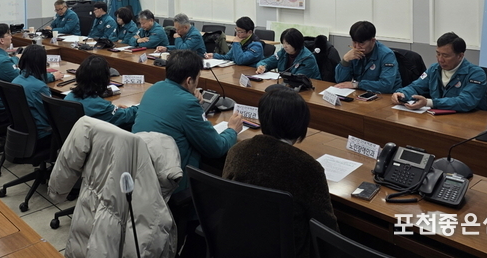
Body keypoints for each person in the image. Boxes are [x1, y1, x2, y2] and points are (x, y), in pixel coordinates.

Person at [223, 87, 338, 258]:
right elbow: (327, 229)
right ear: (301, 125)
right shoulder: (307, 167)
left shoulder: (236, 151)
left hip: (237, 244)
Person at [133, 49, 243, 192]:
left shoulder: (154, 88)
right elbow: (216, 148)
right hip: (173, 183)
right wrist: (232, 130)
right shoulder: (188, 104)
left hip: (142, 175)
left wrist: (190, 98)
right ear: (189, 80)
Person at [392, 32, 487, 112]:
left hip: (468, 121)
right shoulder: (434, 69)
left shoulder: (476, 74)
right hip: (439, 119)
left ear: (460, 56)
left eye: (445, 56)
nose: (440, 59)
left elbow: (466, 101)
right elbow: (416, 87)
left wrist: (429, 103)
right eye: (438, 54)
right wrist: (402, 94)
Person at [0, 23, 61, 111]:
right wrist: (52, 76)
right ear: (1, 40)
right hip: (4, 106)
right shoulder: (3, 62)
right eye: (8, 34)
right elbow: (25, 79)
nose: (11, 37)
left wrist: (15, 59)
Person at [64, 55, 138, 130]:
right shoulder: (100, 106)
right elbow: (126, 116)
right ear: (104, 79)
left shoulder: (69, 96)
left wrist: (114, 109)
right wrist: (140, 107)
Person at [334, 21, 401, 94]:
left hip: (387, 96)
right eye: (354, 42)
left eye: (361, 43)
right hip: (363, 93)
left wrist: (357, 84)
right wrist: (345, 60)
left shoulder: (387, 55)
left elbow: (386, 85)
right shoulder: (354, 54)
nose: (357, 47)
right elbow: (341, 82)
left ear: (373, 41)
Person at [13, 45, 57, 151]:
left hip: (23, 132)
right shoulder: (39, 87)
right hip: (42, 134)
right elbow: (51, 115)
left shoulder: (16, 80)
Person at [255, 28, 320, 78]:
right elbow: (266, 62)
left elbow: (298, 78)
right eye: (283, 43)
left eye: (288, 44)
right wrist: (262, 67)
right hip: (287, 85)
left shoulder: (308, 58)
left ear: (296, 43)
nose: (285, 46)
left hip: (309, 88)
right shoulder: (283, 52)